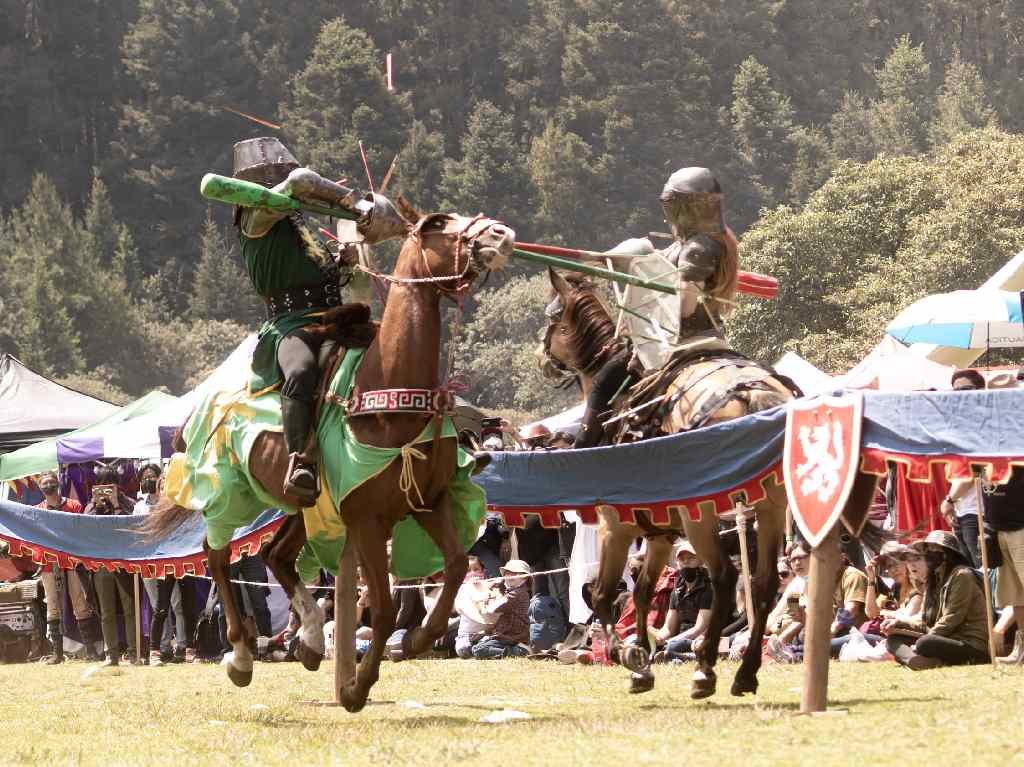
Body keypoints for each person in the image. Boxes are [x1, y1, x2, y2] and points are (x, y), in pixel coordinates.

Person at [231, 137, 406, 505]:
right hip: (291, 324)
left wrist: (342, 264)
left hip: (335, 318)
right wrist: (355, 205)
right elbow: (300, 182)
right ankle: (300, 460)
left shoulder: (297, 223)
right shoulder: (254, 217)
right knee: (301, 370)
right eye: (277, 176)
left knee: (400, 347)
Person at [883, 531, 990, 670]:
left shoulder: (962, 575)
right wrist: (900, 624)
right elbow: (924, 620)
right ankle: (918, 661)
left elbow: (952, 619)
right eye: (929, 551)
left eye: (935, 550)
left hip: (968, 642)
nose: (930, 554)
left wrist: (924, 640)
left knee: (925, 643)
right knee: (892, 639)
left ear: (946, 555)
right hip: (944, 637)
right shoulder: (933, 579)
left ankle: (924, 659)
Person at [33, 470, 102, 663]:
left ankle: (90, 650)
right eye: (44, 483)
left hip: (72, 562)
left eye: (50, 482)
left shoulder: (73, 506)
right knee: (52, 606)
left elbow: (82, 532)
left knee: (80, 605)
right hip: (49, 563)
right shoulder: (36, 510)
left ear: (57, 483)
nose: (48, 486)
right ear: (40, 487)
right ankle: (57, 653)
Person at [133, 463, 193, 665]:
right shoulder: (139, 506)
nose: (150, 480)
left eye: (153, 476)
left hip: (172, 561)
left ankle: (183, 645)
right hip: (149, 563)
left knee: (177, 604)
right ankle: (163, 647)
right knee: (159, 606)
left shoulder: (174, 504)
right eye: (145, 476)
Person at [84, 466, 139, 665]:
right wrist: (97, 506)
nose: (107, 488)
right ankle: (111, 654)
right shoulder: (91, 505)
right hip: (101, 563)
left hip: (125, 562)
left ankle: (134, 652)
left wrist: (116, 504)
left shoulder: (129, 503)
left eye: (111, 483)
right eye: (103, 483)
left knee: (130, 609)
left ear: (118, 485)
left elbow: (131, 527)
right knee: (106, 612)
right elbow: (85, 526)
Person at [983, 465, 1024, 664]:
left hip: (1021, 526)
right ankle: (1022, 651)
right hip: (997, 528)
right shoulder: (986, 448)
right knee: (1017, 594)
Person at [653, 542, 712, 662]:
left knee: (672, 646)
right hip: (680, 638)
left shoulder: (709, 588)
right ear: (677, 564)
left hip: (700, 638)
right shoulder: (677, 591)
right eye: (682, 559)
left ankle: (677, 656)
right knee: (641, 642)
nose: (686, 562)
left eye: (691, 558)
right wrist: (658, 638)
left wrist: (671, 641)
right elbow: (669, 627)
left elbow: (700, 628)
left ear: (701, 561)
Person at [471, 559, 532, 659]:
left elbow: (492, 609)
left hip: (513, 637)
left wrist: (486, 594)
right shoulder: (514, 592)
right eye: (507, 573)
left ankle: (518, 652)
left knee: (478, 650)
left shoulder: (516, 594)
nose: (509, 576)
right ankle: (515, 649)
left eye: (514, 573)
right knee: (475, 643)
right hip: (507, 636)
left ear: (524, 577)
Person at [454, 557, 493, 658]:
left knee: (487, 644)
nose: (472, 573)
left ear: (483, 571)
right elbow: (458, 608)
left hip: (487, 634)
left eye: (476, 569)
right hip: (466, 636)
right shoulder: (461, 589)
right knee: (463, 650)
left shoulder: (491, 586)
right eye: (468, 571)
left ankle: (482, 649)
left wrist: (487, 593)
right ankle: (478, 650)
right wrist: (474, 590)